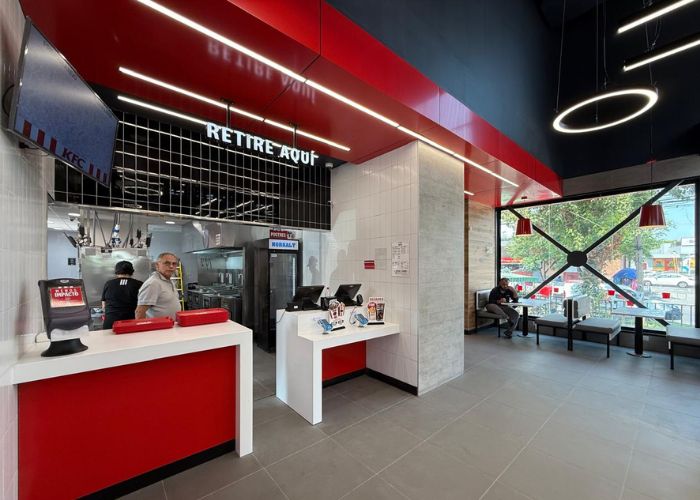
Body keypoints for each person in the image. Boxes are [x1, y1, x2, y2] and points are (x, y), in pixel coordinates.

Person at [135, 252, 181, 320]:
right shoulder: (153, 283)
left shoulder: (169, 280)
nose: (171, 266)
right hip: (158, 326)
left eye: (174, 264)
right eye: (167, 263)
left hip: (170, 324)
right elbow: (140, 312)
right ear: (157, 265)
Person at [101, 261, 143, 329]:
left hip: (110, 323)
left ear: (116, 271)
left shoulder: (108, 284)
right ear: (132, 271)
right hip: (131, 323)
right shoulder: (139, 284)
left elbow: (103, 306)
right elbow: (142, 308)